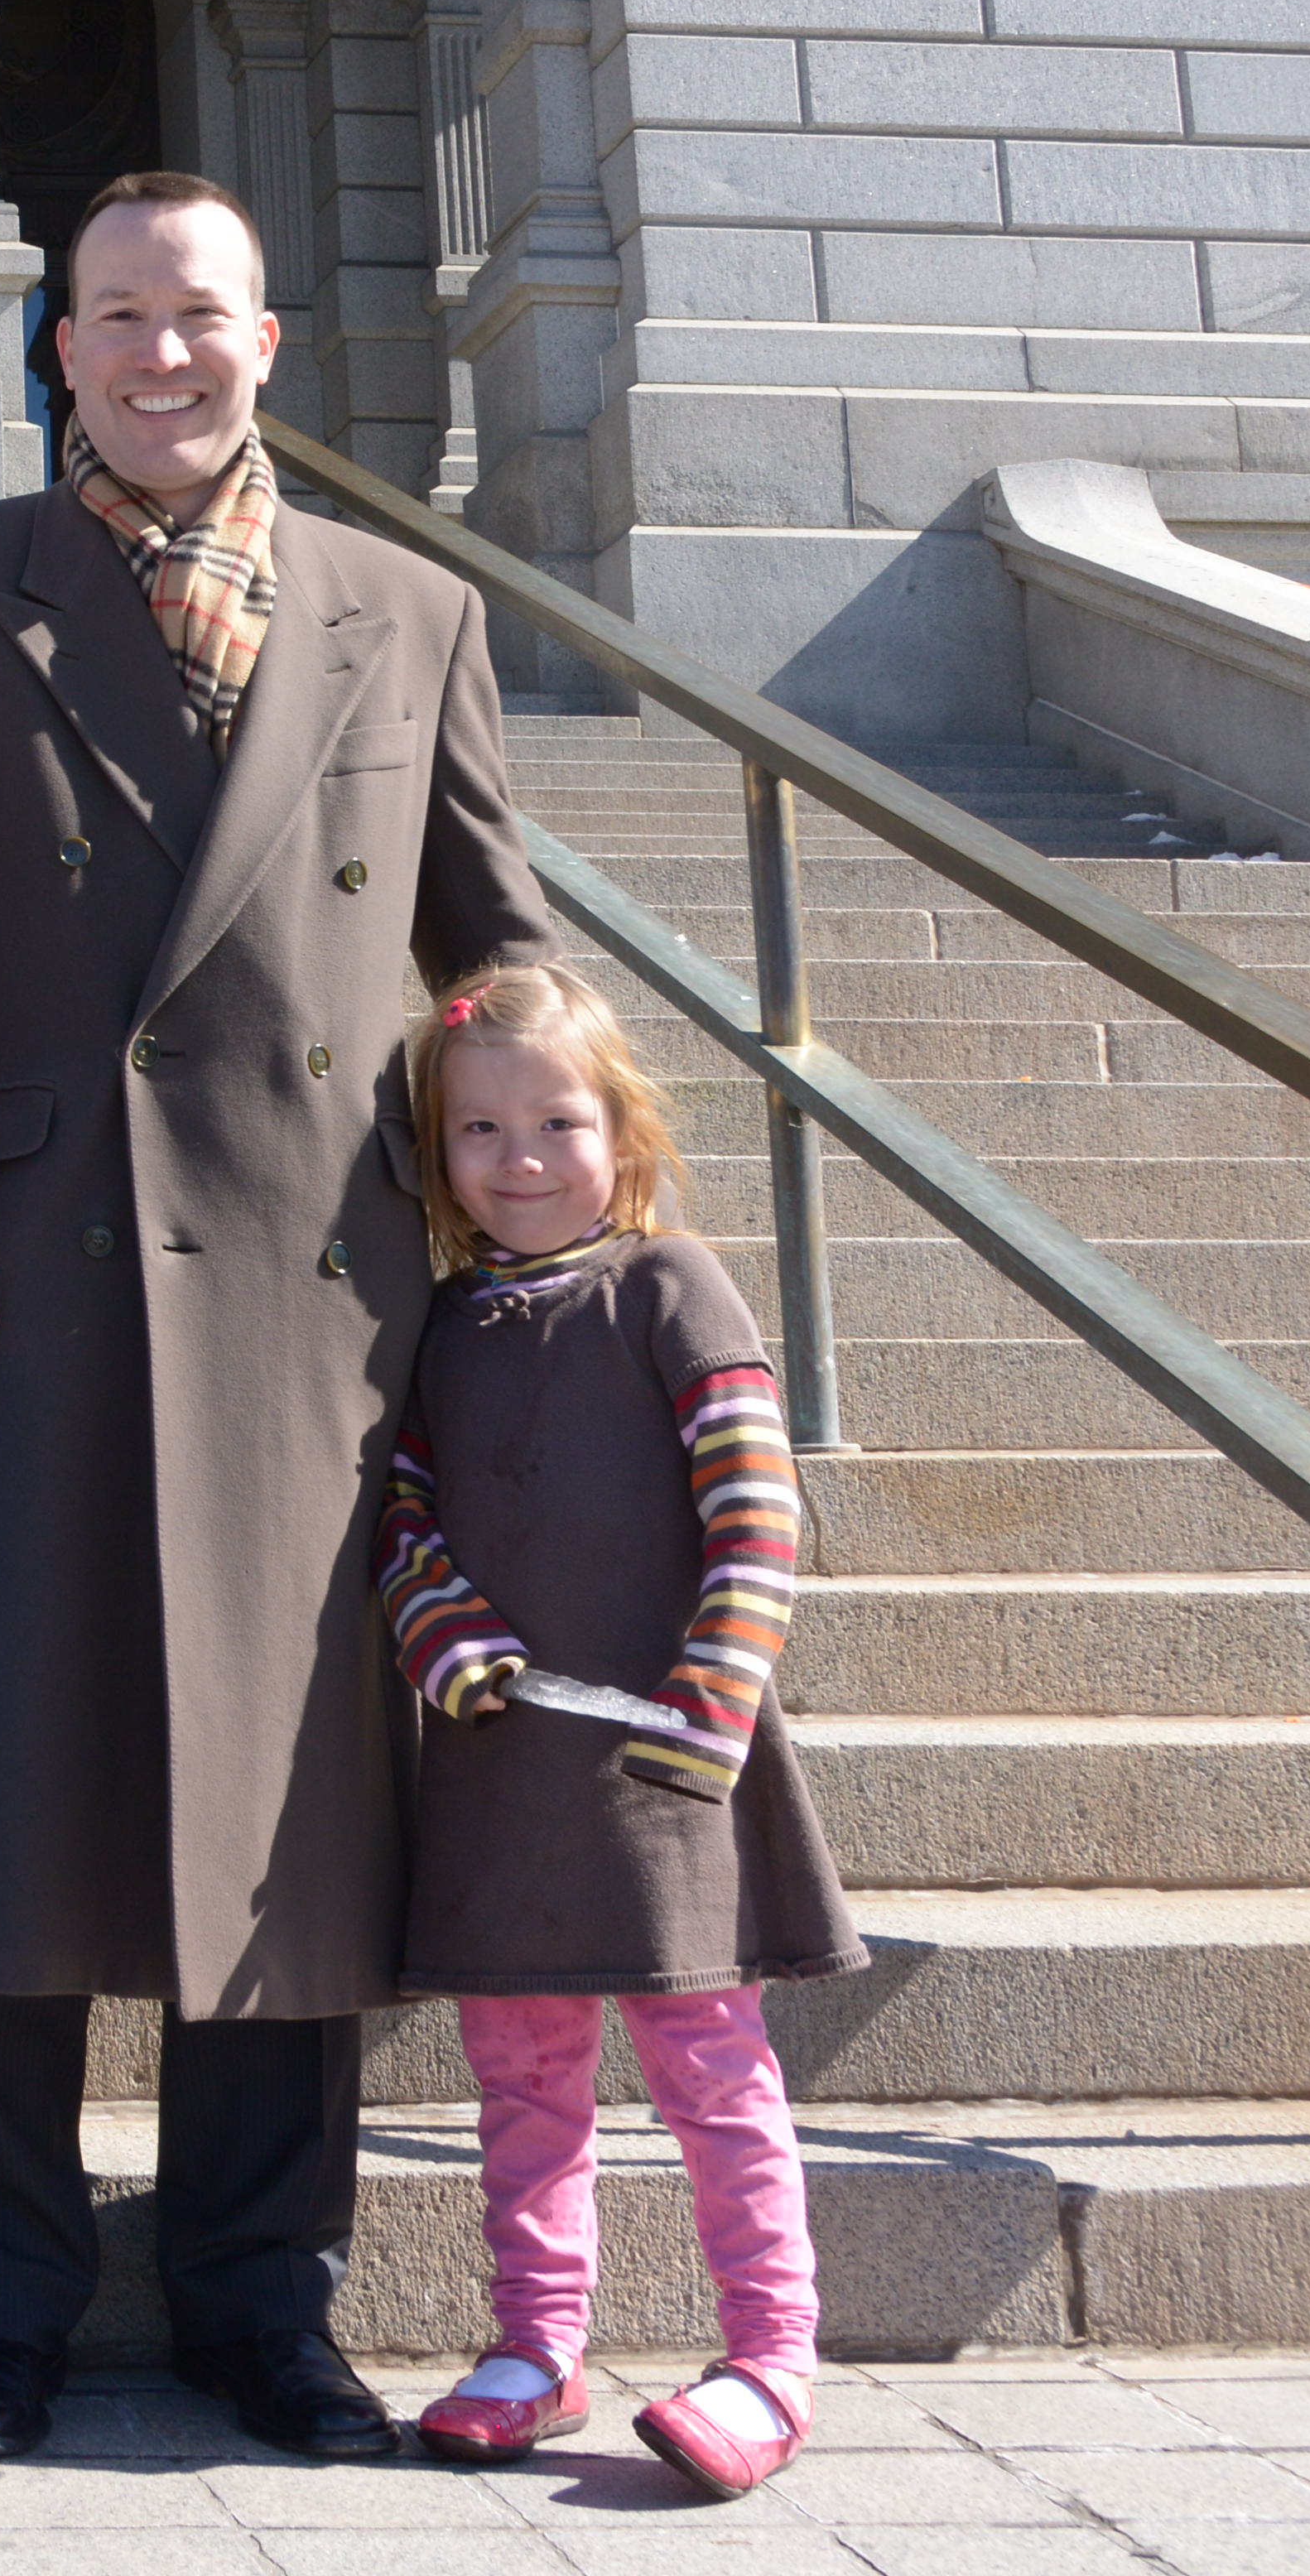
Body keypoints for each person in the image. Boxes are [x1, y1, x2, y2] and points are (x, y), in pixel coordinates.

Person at [0, 168, 555, 2467]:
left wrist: (556, 1210)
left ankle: (260, 2297)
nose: (157, 356)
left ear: (270, 340)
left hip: (315, 1279)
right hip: (23, 1267)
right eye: (115, 317)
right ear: (63, 348)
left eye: (196, 315)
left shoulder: (404, 609)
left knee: (288, 1806)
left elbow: (492, 950)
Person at [377, 959, 857, 2499]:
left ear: (625, 1134)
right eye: (479, 1131)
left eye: (557, 1121)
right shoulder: (444, 1325)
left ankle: (773, 2353)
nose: (519, 1158)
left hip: (667, 1755)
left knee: (712, 2066)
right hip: (506, 1756)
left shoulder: (669, 1287)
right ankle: (536, 2341)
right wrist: (437, 1620)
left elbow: (758, 1503)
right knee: (521, 2069)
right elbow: (400, 1512)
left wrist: (719, 1684)